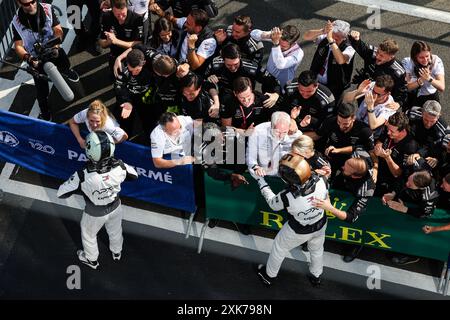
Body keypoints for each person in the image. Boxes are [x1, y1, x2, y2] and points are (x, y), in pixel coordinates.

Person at [57, 131, 138, 269]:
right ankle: (117, 252)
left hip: (94, 213)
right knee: (115, 230)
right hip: (116, 207)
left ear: (90, 151)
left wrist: (81, 188)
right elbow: (134, 176)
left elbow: (61, 193)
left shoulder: (83, 175)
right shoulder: (120, 166)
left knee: (88, 234)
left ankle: (91, 260)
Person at [256, 152, 329, 287]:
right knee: (317, 250)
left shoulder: (288, 196)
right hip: (320, 223)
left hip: (298, 230)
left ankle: (269, 276)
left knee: (279, 248)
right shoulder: (322, 180)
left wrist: (261, 182)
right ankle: (316, 276)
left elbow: (273, 204)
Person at [12, 0, 79, 121]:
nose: (31, 5)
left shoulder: (48, 9)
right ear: (19, 3)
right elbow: (18, 46)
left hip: (53, 49)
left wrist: (56, 44)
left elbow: (58, 30)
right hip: (35, 58)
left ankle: (68, 72)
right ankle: (45, 111)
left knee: (64, 64)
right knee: (42, 91)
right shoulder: (16, 22)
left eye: (32, 1)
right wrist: (29, 58)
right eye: (26, 4)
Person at [313, 151, 376, 262]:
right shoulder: (359, 154)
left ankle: (355, 246)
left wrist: (330, 208)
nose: (343, 167)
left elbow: (351, 217)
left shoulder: (366, 189)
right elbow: (367, 150)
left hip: (355, 194)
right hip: (340, 184)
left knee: (360, 223)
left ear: (355, 175)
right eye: (345, 164)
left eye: (345, 168)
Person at [383, 170, 439, 265]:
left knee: (416, 224)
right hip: (404, 198)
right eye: (409, 179)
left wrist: (405, 209)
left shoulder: (430, 196)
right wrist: (393, 193)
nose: (407, 183)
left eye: (410, 184)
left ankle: (412, 253)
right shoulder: (416, 166)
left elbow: (425, 213)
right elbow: (401, 177)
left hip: (416, 207)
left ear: (420, 187)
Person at [205, 43, 281, 107]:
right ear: (223, 59)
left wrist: (276, 94)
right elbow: (202, 80)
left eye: (236, 64)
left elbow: (273, 80)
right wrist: (209, 78)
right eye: (229, 65)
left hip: (246, 99)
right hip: (223, 98)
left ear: (240, 57)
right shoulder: (215, 64)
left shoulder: (252, 67)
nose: (233, 68)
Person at [348, 32, 407, 111]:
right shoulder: (373, 52)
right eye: (378, 52)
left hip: (380, 102)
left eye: (382, 55)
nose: (377, 56)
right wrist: (356, 38)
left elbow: (401, 92)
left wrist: (398, 103)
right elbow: (360, 46)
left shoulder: (398, 72)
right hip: (364, 93)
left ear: (391, 56)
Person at [304, 20, 355, 101]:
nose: (333, 39)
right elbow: (306, 36)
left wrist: (331, 41)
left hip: (335, 87)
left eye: (337, 38)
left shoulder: (350, 47)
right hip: (316, 80)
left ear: (344, 37)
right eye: (332, 36)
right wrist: (323, 31)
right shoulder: (327, 36)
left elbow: (341, 60)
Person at [247, 111, 301, 181]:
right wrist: (256, 167)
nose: (280, 136)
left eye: (284, 132)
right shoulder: (257, 131)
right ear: (271, 126)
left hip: (285, 175)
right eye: (277, 132)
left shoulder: (297, 135)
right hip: (263, 173)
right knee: (251, 169)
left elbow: (306, 153)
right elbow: (250, 155)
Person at [99, 0, 144, 74]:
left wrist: (116, 41)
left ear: (127, 8)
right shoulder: (106, 17)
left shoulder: (137, 19)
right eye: (117, 14)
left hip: (132, 56)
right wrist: (108, 42)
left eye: (123, 14)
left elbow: (138, 44)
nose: (121, 17)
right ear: (112, 10)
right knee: (115, 76)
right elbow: (102, 43)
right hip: (114, 54)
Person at [169, 9, 217, 74]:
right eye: (186, 21)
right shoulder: (188, 22)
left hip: (193, 75)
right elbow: (174, 20)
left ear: (198, 28)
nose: (185, 24)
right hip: (176, 65)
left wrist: (191, 45)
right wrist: (162, 13)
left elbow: (194, 65)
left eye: (188, 24)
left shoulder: (209, 41)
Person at [402, 41, 445, 108]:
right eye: (421, 57)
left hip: (430, 95)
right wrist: (420, 80)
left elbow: (442, 87)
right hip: (413, 96)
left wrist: (429, 78)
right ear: (414, 57)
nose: (425, 60)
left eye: (427, 56)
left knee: (432, 117)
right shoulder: (407, 62)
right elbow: (406, 88)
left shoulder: (436, 61)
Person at [406, 101, 449, 166]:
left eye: (432, 121)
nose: (428, 124)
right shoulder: (413, 113)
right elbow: (401, 121)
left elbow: (444, 151)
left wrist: (437, 159)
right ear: (422, 112)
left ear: (438, 116)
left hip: (430, 150)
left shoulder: (443, 130)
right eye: (425, 119)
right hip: (414, 140)